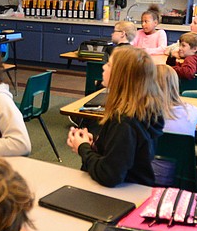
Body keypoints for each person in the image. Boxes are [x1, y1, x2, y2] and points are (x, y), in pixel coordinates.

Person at [67, 45, 164, 187]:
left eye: (109, 64)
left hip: (124, 194)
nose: (104, 67)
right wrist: (94, 145)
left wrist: (83, 147)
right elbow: (123, 154)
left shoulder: (124, 121)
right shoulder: (140, 109)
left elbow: (109, 175)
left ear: (120, 75)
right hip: (137, 188)